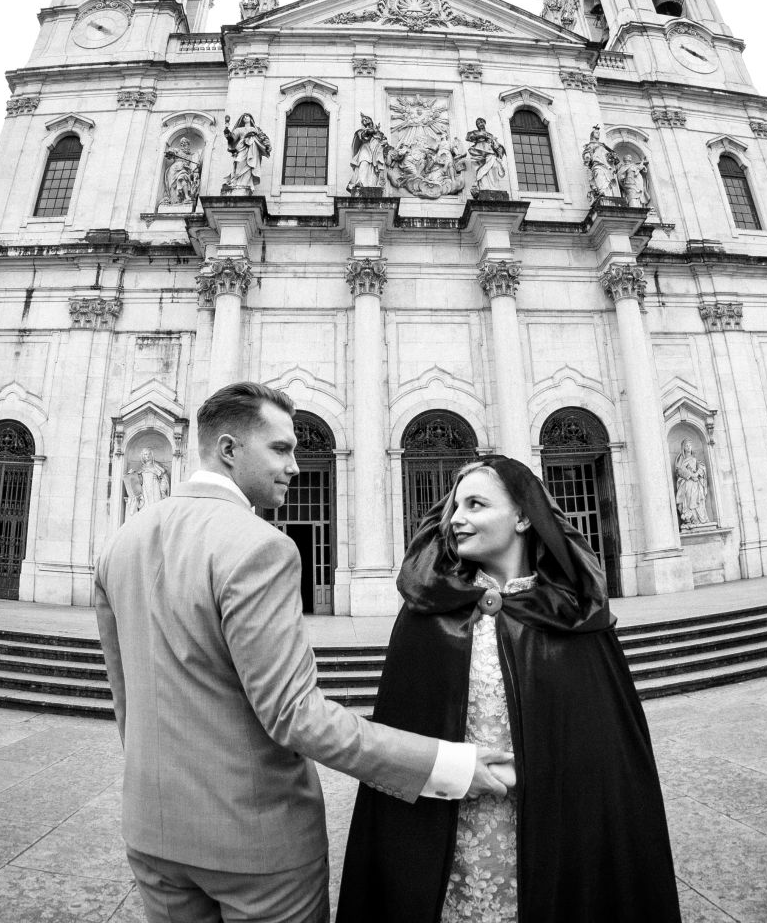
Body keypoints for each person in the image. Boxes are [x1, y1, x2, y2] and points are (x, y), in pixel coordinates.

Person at [95, 382, 513, 923]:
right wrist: (447, 763)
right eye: (281, 448)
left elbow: (125, 701)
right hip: (255, 845)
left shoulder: (120, 542)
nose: (295, 465)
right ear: (228, 449)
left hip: (151, 832)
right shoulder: (259, 546)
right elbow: (294, 715)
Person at [336, 455, 681, 923]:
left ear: (522, 516)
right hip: (449, 833)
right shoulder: (428, 614)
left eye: (476, 504)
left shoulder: (571, 614)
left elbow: (607, 753)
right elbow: (402, 736)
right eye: (456, 506)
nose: (457, 518)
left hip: (552, 832)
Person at [674, 438, 711, 529]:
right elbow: (679, 470)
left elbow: (701, 467)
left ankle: (699, 518)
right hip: (687, 483)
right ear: (683, 447)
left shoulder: (694, 458)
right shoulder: (681, 459)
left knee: (698, 499)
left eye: (690, 445)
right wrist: (690, 475)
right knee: (688, 498)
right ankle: (690, 517)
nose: (688, 447)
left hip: (695, 483)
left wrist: (696, 474)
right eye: (686, 445)